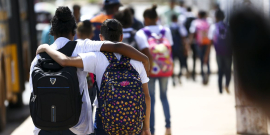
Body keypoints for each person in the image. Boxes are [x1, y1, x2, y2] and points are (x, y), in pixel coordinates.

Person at [30, 6, 149, 135]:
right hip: (78, 126)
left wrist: (45, 47)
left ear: (52, 33)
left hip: (43, 126)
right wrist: (144, 58)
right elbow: (117, 46)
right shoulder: (82, 46)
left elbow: (33, 93)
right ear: (74, 32)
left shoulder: (38, 59)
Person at [135, 5, 173, 135]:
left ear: (145, 18)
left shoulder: (141, 33)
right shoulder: (165, 30)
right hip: (165, 68)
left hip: (149, 70)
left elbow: (143, 51)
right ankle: (168, 127)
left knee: (150, 99)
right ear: (157, 18)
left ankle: (151, 129)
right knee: (164, 97)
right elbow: (170, 49)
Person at [208, 10, 231, 94]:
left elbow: (210, 40)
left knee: (220, 70)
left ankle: (220, 90)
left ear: (216, 17)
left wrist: (207, 54)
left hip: (218, 52)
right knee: (228, 70)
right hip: (228, 52)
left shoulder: (213, 27)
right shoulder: (228, 26)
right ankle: (227, 85)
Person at [189, 10, 211, 85]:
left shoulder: (195, 22)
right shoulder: (208, 22)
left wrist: (190, 43)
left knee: (201, 60)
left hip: (199, 43)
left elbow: (192, 32)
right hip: (207, 43)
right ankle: (208, 74)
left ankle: (203, 76)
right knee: (207, 59)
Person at [170, 14, 188, 86]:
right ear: (176, 19)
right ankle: (180, 76)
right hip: (180, 48)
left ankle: (173, 78)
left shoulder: (168, 27)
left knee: (172, 64)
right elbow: (184, 37)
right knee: (181, 63)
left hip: (172, 48)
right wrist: (185, 48)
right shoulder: (180, 27)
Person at [184, 7, 197, 81]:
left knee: (186, 56)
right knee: (194, 57)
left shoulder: (184, 17)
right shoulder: (194, 17)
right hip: (195, 40)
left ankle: (187, 70)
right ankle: (194, 73)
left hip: (187, 40)